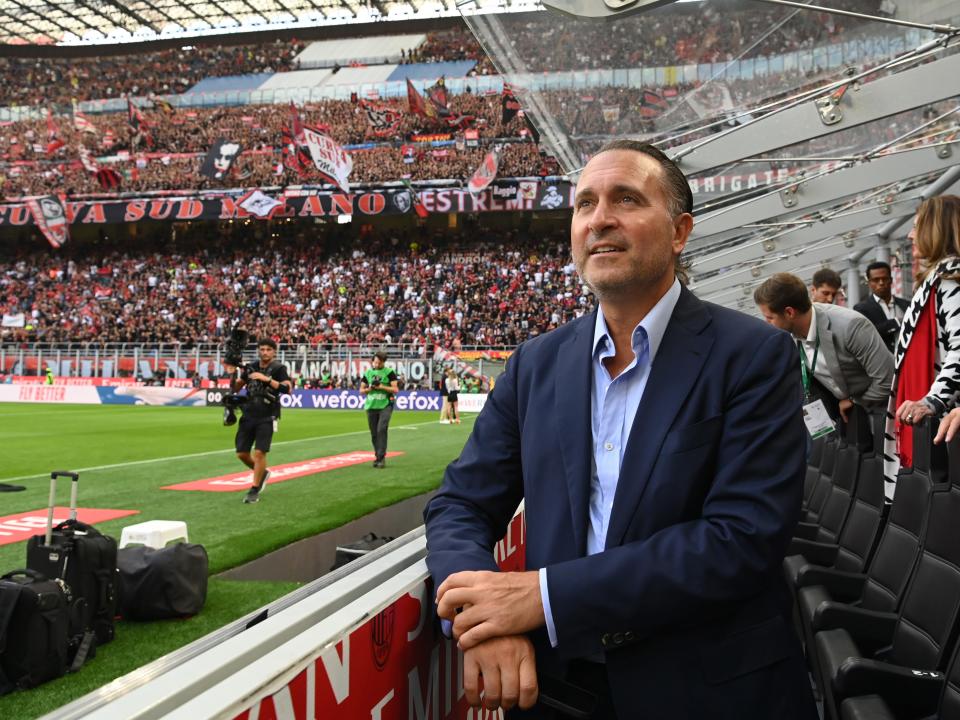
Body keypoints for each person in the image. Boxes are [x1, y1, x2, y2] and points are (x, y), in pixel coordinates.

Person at [424, 140, 817, 719]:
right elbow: (460, 503)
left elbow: (741, 538)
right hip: (556, 690)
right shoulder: (535, 364)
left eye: (627, 199)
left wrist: (543, 598)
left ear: (680, 231)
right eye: (584, 204)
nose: (600, 218)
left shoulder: (755, 355)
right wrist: (483, 619)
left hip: (708, 691)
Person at [884, 196, 960, 489]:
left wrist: (933, 400)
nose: (910, 235)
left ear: (936, 229)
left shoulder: (951, 280)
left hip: (946, 427)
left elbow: (958, 350)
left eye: (917, 227)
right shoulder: (940, 278)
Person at [754, 272, 893, 424]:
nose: (766, 323)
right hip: (841, 418)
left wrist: (855, 402)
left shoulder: (850, 326)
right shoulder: (788, 336)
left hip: (882, 414)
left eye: (769, 318)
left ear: (789, 312)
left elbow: (887, 380)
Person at [225, 337, 292, 504]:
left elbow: (287, 389)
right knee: (241, 454)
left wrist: (266, 379)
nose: (265, 352)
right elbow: (236, 388)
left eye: (269, 350)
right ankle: (261, 473)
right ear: (258, 351)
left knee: (260, 452)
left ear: (274, 351)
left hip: (267, 415)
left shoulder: (279, 368)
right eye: (262, 349)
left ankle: (254, 488)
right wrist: (232, 373)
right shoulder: (251, 367)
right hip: (248, 413)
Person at [853, 261, 909, 352]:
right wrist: (896, 322)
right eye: (876, 280)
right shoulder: (861, 308)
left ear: (891, 280)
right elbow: (867, 335)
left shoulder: (906, 305)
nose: (881, 283)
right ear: (869, 283)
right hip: (882, 362)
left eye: (885, 279)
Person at [360, 351, 399, 468]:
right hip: (371, 405)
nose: (376, 365)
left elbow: (395, 389)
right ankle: (378, 456)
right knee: (374, 433)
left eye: (379, 362)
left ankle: (381, 457)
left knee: (381, 429)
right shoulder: (368, 373)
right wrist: (370, 388)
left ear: (383, 362)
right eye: (375, 362)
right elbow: (361, 391)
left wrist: (381, 386)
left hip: (385, 404)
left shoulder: (389, 372)